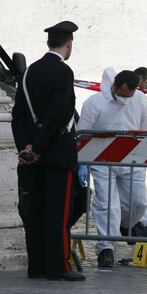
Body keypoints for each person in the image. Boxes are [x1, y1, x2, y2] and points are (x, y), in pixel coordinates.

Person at [11, 21, 85, 281]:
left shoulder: (30, 72)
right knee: (58, 214)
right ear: (68, 44)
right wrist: (40, 148)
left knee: (36, 213)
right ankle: (58, 267)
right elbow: (58, 115)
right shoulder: (63, 73)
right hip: (56, 154)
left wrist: (26, 148)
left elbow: (18, 114)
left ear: (48, 43)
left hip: (31, 157)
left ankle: (37, 267)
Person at [77, 68, 147, 268]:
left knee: (139, 202)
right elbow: (82, 135)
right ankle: (106, 247)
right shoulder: (94, 104)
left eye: (130, 95)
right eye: (122, 95)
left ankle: (125, 224)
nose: (126, 100)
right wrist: (82, 163)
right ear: (114, 86)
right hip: (103, 161)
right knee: (107, 203)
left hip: (132, 160)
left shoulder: (140, 100)